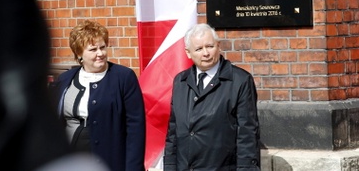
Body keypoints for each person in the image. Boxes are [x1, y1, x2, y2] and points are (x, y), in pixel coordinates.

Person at [51, 19, 146, 171]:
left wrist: (133, 167)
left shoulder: (123, 77)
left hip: (110, 161)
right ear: (79, 53)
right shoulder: (66, 79)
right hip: (72, 159)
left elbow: (135, 128)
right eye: (93, 49)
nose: (100, 53)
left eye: (102, 47)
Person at [164, 23, 260, 171]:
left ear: (218, 46)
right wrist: (169, 167)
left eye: (210, 46)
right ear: (188, 53)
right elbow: (173, 133)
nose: (206, 53)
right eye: (198, 49)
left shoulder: (239, 81)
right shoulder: (180, 81)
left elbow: (247, 136)